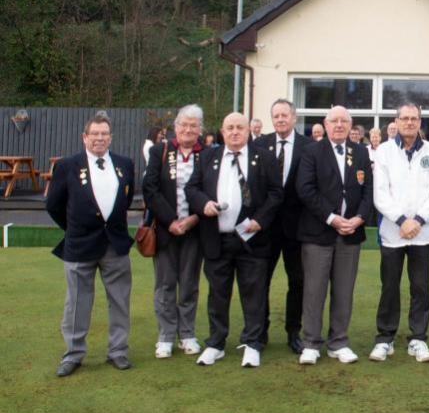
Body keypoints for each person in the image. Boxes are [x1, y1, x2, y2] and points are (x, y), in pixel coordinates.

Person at [186, 112, 283, 368]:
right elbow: (191, 189)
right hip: (217, 239)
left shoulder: (264, 157)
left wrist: (261, 220)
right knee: (218, 294)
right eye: (230, 128)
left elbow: (276, 193)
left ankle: (252, 344)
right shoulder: (208, 156)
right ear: (222, 131)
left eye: (240, 127)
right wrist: (204, 204)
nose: (235, 132)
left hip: (253, 238)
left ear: (248, 130)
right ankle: (216, 343)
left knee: (254, 294)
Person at [47, 111, 136, 377]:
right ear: (84, 137)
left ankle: (118, 351)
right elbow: (53, 205)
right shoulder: (67, 166)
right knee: (77, 303)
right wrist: (74, 227)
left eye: (104, 134)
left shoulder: (125, 164)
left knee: (120, 300)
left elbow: (126, 201)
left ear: (110, 137)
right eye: (94, 134)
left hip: (115, 244)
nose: (99, 138)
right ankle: (73, 354)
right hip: (80, 245)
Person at [296, 105, 373, 365]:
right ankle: (311, 342)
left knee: (343, 291)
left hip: (351, 234)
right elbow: (305, 189)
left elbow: (368, 191)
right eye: (334, 121)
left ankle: (338, 341)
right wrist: (332, 218)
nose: (339, 125)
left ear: (351, 126)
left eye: (344, 121)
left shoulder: (360, 151)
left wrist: (359, 219)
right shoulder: (311, 151)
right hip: (318, 233)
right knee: (314, 290)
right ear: (326, 124)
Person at [369, 103, 429, 363]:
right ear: (397, 121)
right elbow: (380, 193)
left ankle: (418, 339)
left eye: (414, 119)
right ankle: (385, 338)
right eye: (405, 118)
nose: (410, 123)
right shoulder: (384, 152)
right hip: (393, 232)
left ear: (420, 121)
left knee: (420, 287)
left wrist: (419, 220)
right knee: (389, 286)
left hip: (422, 233)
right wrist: (402, 220)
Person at [142, 104, 205, 359]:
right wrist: (171, 221)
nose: (188, 129)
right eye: (184, 124)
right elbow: (150, 189)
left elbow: (212, 190)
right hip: (166, 230)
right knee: (165, 284)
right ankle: (166, 335)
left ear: (200, 129)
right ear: (176, 127)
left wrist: (192, 219)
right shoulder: (160, 150)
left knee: (189, 284)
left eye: (193, 125)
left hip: (196, 229)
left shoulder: (209, 153)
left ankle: (187, 333)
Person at [254, 99, 310, 353]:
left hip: (296, 229)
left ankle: (294, 332)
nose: (280, 120)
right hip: (264, 228)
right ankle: (259, 332)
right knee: (260, 280)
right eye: (275, 116)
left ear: (294, 117)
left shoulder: (309, 147)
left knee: (297, 281)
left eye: (284, 115)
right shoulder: (259, 145)